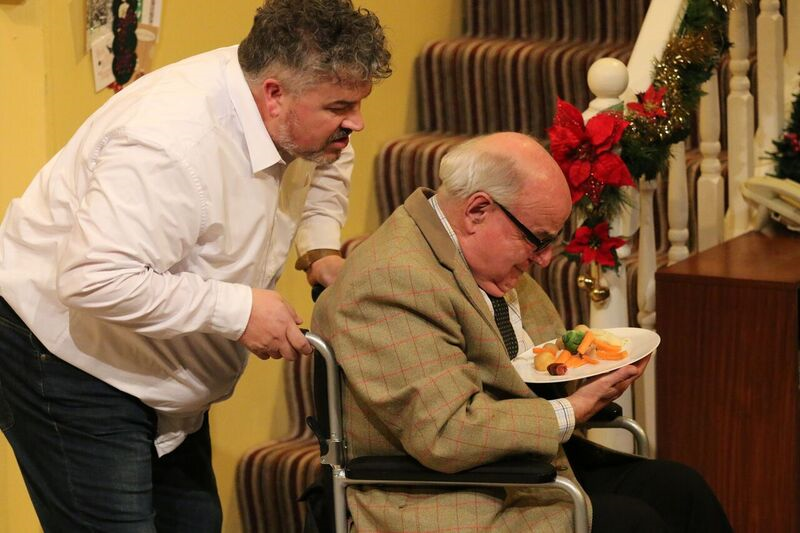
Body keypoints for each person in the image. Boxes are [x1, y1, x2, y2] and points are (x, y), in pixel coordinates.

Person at [0, 0, 390, 531]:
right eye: (341, 106)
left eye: (358, 103)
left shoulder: (301, 114)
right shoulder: (171, 142)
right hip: (71, 357)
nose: (357, 122)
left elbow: (329, 159)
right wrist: (238, 310)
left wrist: (319, 249)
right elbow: (93, 278)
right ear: (274, 95)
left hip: (165, 364)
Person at [311, 132, 731, 532]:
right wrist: (574, 409)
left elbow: (539, 362)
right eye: (538, 240)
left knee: (681, 491)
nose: (545, 259)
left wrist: (588, 370)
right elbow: (446, 433)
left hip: (516, 464)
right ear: (477, 211)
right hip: (446, 495)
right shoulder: (391, 282)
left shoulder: (480, 259)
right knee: (634, 522)